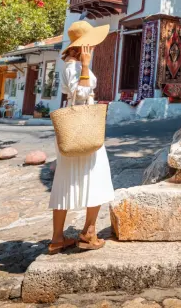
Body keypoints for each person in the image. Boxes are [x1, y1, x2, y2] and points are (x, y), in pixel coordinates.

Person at [48, 20, 114, 254]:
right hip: (83, 125)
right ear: (83, 45)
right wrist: (86, 66)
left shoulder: (69, 64)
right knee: (97, 176)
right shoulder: (74, 66)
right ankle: (88, 232)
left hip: (74, 127)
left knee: (65, 180)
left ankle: (58, 237)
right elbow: (82, 93)